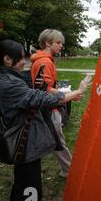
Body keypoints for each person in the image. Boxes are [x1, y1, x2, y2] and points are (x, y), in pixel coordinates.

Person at [0, 39, 90, 201]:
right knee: (31, 188)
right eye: (20, 59)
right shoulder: (11, 84)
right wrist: (76, 92)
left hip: (27, 146)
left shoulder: (11, 77)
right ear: (6, 59)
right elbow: (39, 98)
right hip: (26, 147)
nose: (24, 62)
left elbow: (37, 89)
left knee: (23, 185)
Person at [30, 29, 76, 178]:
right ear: (47, 43)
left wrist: (64, 93)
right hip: (48, 109)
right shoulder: (44, 62)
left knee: (52, 139)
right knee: (57, 140)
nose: (61, 46)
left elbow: (46, 86)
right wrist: (67, 95)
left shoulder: (44, 60)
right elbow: (45, 89)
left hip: (44, 107)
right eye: (58, 43)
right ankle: (68, 169)